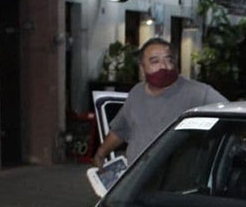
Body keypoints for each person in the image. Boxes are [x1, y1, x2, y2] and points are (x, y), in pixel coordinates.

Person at [92, 38, 227, 166]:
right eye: (155, 61)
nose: (163, 66)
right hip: (137, 179)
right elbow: (120, 130)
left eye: (168, 60)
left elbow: (231, 117)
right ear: (142, 67)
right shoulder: (137, 93)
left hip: (177, 183)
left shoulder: (199, 93)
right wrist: (101, 153)